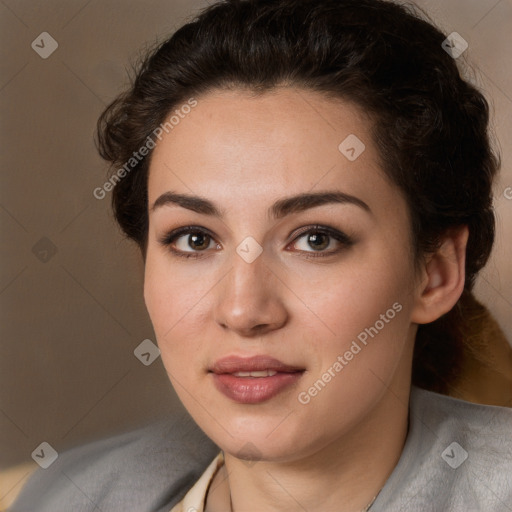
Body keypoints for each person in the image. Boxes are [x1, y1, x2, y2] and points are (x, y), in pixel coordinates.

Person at [9, 0, 512, 511]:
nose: (243, 311)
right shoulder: (62, 497)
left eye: (316, 238)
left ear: (435, 273)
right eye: (195, 239)